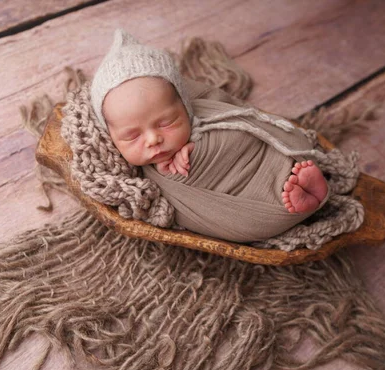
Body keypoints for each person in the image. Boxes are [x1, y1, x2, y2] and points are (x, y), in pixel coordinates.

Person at [90, 29, 331, 242]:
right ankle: (293, 203)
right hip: (229, 208)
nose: (153, 139)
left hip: (246, 157)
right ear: (111, 137)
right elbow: (168, 206)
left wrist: (201, 146)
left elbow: (241, 119)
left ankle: (295, 180)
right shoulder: (133, 181)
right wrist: (169, 174)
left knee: (244, 143)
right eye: (132, 137)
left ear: (185, 105)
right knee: (235, 214)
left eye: (166, 122)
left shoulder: (203, 110)